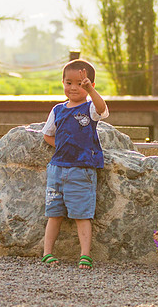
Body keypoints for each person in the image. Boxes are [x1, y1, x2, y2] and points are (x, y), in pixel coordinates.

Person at [40, 59, 108, 269]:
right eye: (68, 82)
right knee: (54, 213)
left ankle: (85, 254)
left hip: (82, 170)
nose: (73, 88)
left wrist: (90, 91)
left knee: (82, 214)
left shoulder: (90, 108)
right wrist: (61, 145)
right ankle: (47, 252)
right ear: (63, 83)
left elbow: (103, 109)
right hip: (57, 168)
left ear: (90, 86)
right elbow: (47, 135)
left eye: (80, 83)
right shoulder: (58, 110)